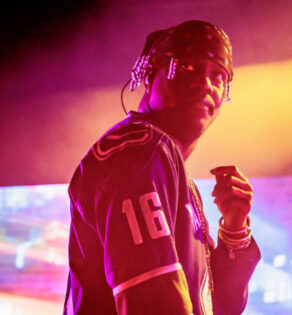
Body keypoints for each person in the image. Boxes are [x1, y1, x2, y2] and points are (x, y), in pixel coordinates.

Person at [63, 20, 260, 315]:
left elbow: (214, 307)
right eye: (186, 67)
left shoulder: (167, 165)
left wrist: (234, 229)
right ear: (150, 75)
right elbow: (153, 301)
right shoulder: (139, 150)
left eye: (218, 76)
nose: (206, 83)